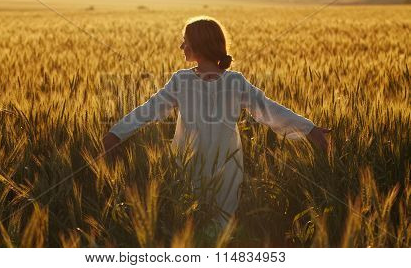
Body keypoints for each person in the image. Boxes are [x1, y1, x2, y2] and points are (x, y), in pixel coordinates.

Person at [101, 15, 331, 234]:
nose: (182, 47)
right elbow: (270, 110)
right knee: (206, 226)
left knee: (202, 226)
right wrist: (117, 133)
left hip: (211, 166)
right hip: (207, 165)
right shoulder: (198, 80)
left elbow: (268, 109)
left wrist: (308, 129)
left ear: (199, 45)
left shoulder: (217, 81)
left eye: (185, 41)